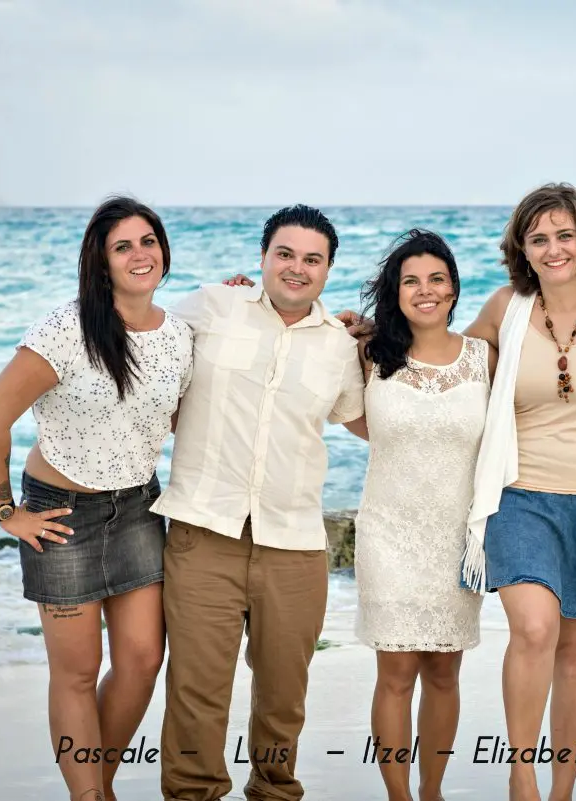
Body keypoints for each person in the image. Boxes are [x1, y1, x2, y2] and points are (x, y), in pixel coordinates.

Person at [0, 196, 193, 801]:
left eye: (148, 240)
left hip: (139, 509)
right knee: (76, 673)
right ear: (100, 263)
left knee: (143, 661)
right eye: (123, 246)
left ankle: (99, 782)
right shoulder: (66, 329)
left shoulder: (177, 336)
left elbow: (176, 417)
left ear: (163, 250)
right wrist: (6, 514)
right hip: (60, 517)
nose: (139, 254)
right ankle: (89, 795)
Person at [153, 204, 365, 801]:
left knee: (282, 698)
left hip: (294, 545)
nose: (297, 268)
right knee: (196, 692)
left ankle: (275, 792)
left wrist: (388, 348)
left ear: (327, 271)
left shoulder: (340, 346)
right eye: (286, 254)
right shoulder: (212, 306)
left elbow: (370, 423)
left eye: (312, 259)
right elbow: (139, 339)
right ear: (264, 256)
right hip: (203, 534)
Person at [461, 182, 576, 801]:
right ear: (522, 247)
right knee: (535, 630)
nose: (552, 248)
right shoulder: (505, 309)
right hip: (520, 496)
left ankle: (563, 790)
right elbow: (440, 364)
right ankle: (523, 779)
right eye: (538, 238)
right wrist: (360, 338)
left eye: (564, 235)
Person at [354, 229, 495, 801]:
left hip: (458, 540)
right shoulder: (368, 354)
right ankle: (399, 796)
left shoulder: (484, 357)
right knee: (395, 675)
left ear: (456, 288)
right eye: (411, 281)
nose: (425, 290)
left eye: (437, 278)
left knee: (444, 674)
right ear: (396, 291)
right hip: (388, 534)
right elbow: (342, 411)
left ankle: (431, 791)